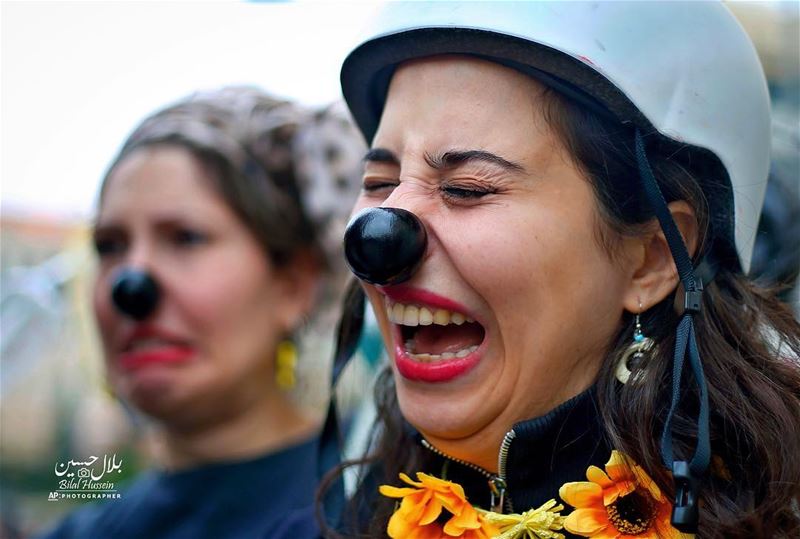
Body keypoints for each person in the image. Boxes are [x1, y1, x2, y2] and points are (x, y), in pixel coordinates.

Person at [322, 3, 800, 538]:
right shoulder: (358, 511)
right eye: (380, 183)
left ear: (654, 259)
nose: (378, 239)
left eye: (467, 188)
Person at [40, 86, 364, 539]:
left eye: (185, 238)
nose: (130, 286)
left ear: (295, 283)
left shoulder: (392, 505)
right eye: (110, 245)